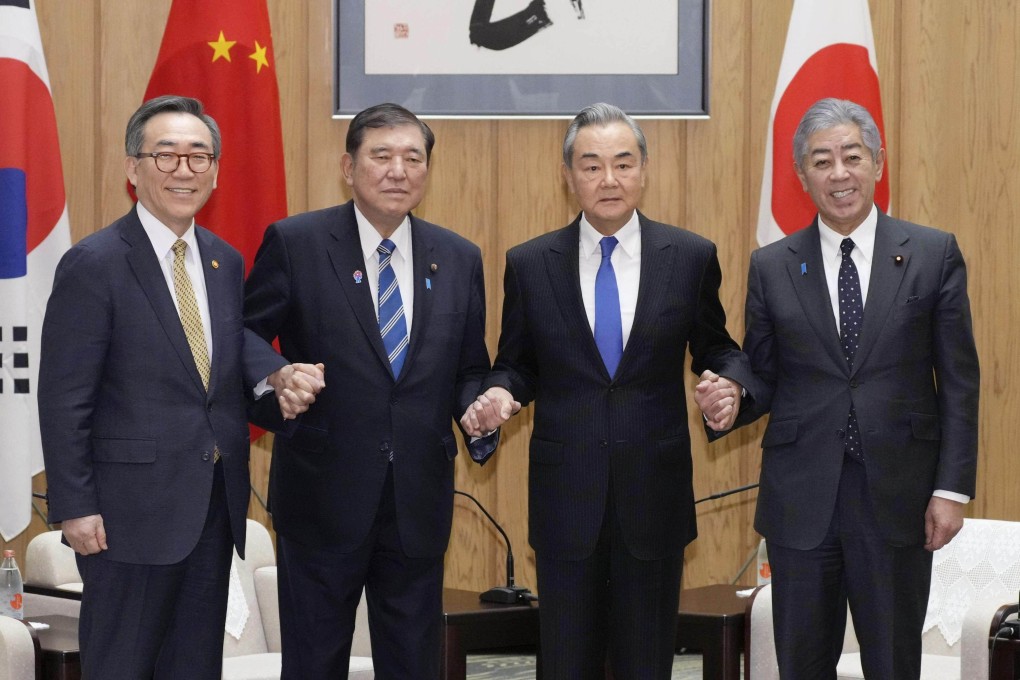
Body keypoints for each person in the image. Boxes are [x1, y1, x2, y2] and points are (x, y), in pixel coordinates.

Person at [460, 102, 755, 678]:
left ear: (644, 169)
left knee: (647, 663)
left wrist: (730, 386)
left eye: (623, 163)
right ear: (568, 176)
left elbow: (717, 349)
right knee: (566, 663)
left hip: (654, 492)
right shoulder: (530, 262)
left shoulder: (690, 256)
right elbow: (517, 364)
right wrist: (498, 394)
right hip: (566, 494)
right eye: (591, 166)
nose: (609, 179)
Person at [37, 94, 324, 680]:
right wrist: (75, 505)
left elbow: (217, 371)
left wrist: (275, 381)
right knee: (122, 666)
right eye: (165, 155)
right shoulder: (95, 262)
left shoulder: (224, 261)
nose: (183, 170)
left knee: (194, 668)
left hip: (212, 507)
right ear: (132, 168)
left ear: (215, 172)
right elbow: (64, 397)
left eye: (199, 156)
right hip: (125, 517)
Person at [697, 97, 979, 679]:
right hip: (802, 498)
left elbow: (958, 381)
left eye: (852, 156)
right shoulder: (773, 265)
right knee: (801, 664)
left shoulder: (932, 253)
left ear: (878, 162)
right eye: (821, 161)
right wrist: (733, 398)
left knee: (893, 663)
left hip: (898, 496)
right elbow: (764, 372)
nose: (839, 173)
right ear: (802, 175)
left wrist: (951, 489)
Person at [243, 102, 497, 679]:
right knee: (314, 664)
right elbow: (243, 332)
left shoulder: (458, 257)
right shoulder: (297, 242)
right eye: (381, 156)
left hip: (417, 500)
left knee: (413, 664)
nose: (398, 170)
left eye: (413, 158)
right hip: (321, 495)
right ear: (348, 167)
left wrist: (477, 408)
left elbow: (468, 368)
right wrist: (277, 376)